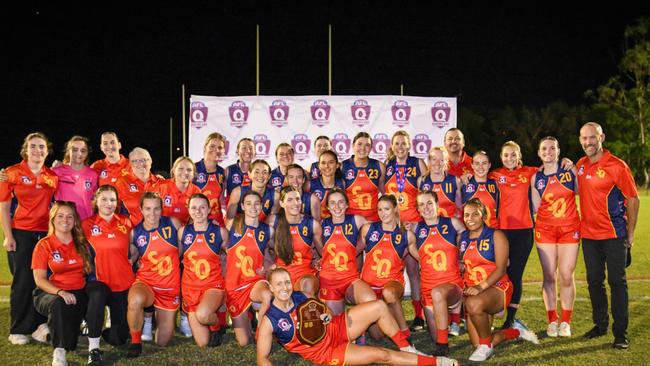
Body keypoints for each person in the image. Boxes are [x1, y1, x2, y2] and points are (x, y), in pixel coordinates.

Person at [257, 267, 459, 366]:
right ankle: (438, 363)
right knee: (382, 355)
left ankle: (407, 347)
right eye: (279, 284)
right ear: (272, 289)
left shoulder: (301, 295)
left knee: (379, 306)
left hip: (336, 327)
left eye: (287, 282)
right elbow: (262, 357)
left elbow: (324, 311)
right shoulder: (269, 320)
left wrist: (326, 316)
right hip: (326, 351)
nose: (285, 288)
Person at [576, 122, 639, 349]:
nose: (588, 142)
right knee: (594, 282)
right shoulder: (580, 165)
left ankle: (620, 334)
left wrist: (630, 235)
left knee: (617, 282)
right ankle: (600, 325)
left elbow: (633, 199)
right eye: (584, 138)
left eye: (592, 137)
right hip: (589, 237)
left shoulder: (617, 166)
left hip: (614, 235)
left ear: (601, 137)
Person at [460, 198, 538, 362]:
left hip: (497, 287)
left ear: (483, 216)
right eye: (467, 215)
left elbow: (501, 268)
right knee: (479, 341)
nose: (470, 218)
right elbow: (463, 265)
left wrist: (480, 287)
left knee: (473, 304)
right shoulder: (463, 238)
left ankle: (486, 346)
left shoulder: (496, 235)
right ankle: (516, 332)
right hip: (476, 291)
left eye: (475, 214)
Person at [0, 132, 58, 345]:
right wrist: (8, 236)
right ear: (26, 149)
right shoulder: (11, 173)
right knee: (23, 281)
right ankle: (19, 329)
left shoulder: (52, 175)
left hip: (45, 234)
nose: (38, 150)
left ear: (47, 149)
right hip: (22, 233)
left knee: (45, 280)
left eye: (42, 147)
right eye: (33, 146)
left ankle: (39, 326)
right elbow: (4, 207)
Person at [530, 137, 581, 337]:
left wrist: (574, 166)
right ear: (539, 152)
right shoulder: (536, 178)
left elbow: (583, 192)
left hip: (569, 228)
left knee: (567, 275)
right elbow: (535, 207)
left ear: (559, 151)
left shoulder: (569, 171)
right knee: (549, 276)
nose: (548, 151)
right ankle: (552, 320)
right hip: (546, 229)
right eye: (544, 148)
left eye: (552, 148)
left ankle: (566, 321)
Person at [32, 201, 91, 366]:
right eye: (60, 216)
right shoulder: (44, 245)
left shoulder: (81, 243)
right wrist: (60, 292)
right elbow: (40, 279)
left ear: (74, 221)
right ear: (53, 219)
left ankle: (46, 331)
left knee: (71, 343)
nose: (65, 220)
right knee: (59, 305)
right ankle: (59, 352)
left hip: (77, 292)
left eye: (69, 216)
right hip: (50, 293)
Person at [488, 141, 540, 329]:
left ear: (519, 156)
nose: (510, 158)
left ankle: (510, 318)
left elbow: (550, 168)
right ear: (501, 157)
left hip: (524, 231)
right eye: (506, 155)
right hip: (501, 231)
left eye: (513, 154)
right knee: (499, 273)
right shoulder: (495, 175)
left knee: (515, 274)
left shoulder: (530, 172)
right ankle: (492, 313)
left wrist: (566, 162)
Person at [82, 185, 135, 364]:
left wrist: (134, 256)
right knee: (96, 297)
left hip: (123, 284)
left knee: (118, 339)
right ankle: (93, 349)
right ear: (96, 202)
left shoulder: (126, 222)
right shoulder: (86, 225)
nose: (109, 203)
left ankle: (103, 328)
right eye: (104, 199)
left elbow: (135, 247)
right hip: (99, 281)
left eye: (112, 199)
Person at [408, 190, 465, 356]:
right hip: (428, 289)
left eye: (429, 203)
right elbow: (411, 247)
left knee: (438, 293)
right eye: (421, 205)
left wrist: (461, 259)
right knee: (435, 335)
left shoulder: (453, 223)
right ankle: (446, 322)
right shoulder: (415, 228)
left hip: (451, 285)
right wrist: (422, 260)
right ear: (417, 209)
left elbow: (467, 239)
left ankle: (443, 346)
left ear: (437, 204)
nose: (426, 208)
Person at [126, 192, 181, 357]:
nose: (152, 213)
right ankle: (136, 342)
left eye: (156, 209)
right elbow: (133, 256)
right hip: (147, 282)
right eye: (148, 209)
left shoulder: (173, 223)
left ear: (161, 209)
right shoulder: (135, 233)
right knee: (135, 299)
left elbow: (183, 250)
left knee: (162, 341)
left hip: (169, 287)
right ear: (141, 210)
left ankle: (149, 320)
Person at [385, 130, 428, 331]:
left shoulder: (418, 163)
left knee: (413, 271)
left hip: (413, 225)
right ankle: (392, 314)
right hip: (394, 229)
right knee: (392, 272)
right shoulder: (387, 166)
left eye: (403, 143)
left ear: (409, 145)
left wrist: (418, 222)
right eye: (397, 143)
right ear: (392, 146)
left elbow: (426, 195)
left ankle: (419, 315)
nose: (400, 147)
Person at [359, 195, 413, 340]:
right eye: (380, 209)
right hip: (370, 287)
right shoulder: (368, 229)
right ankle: (386, 313)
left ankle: (405, 333)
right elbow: (353, 251)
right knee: (377, 336)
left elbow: (422, 257)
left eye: (387, 209)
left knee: (389, 293)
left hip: (392, 284)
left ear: (395, 209)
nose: (383, 213)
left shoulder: (406, 234)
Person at [224, 191, 273, 346]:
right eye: (249, 203)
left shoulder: (268, 230)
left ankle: (261, 334)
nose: (253, 207)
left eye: (257, 203)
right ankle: (248, 314)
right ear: (242, 206)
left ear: (261, 206)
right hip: (234, 285)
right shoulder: (232, 224)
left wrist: (267, 266)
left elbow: (274, 253)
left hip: (254, 281)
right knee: (244, 342)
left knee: (266, 295)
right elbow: (219, 251)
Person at [179, 193, 228, 347]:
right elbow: (176, 257)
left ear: (209, 210)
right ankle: (215, 317)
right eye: (194, 207)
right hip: (190, 288)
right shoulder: (182, 232)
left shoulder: (219, 232)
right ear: (188, 210)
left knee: (203, 315)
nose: (198, 211)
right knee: (202, 343)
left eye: (202, 207)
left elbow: (230, 257)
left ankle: (217, 326)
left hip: (212, 285)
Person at [319, 187, 375, 315]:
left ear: (347, 204)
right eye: (332, 203)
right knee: (335, 324)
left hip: (350, 278)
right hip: (330, 281)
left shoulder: (357, 219)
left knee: (370, 300)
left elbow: (377, 230)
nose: (337, 206)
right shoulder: (322, 224)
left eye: (340, 202)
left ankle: (357, 321)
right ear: (327, 207)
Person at [268, 186, 323, 298]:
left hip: (305, 273)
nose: (295, 203)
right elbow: (263, 249)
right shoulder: (273, 221)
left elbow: (323, 252)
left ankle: (309, 313)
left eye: (297, 199)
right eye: (290, 200)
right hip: (281, 273)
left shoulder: (312, 224)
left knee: (306, 285)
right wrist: (269, 264)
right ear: (282, 203)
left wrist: (318, 261)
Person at [52, 136, 99, 220]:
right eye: (74, 150)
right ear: (68, 151)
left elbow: (96, 200)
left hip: (85, 223)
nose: (79, 154)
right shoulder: (56, 172)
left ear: (87, 153)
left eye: (83, 150)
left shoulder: (93, 174)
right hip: (64, 223)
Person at [342, 132, 385, 222]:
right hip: (350, 220)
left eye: (367, 145)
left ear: (371, 148)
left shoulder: (379, 166)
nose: (363, 148)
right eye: (359, 144)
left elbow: (386, 194)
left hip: (373, 219)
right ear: (353, 146)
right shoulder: (343, 166)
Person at [114, 147, 161, 225]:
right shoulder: (122, 183)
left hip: (158, 233)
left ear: (150, 161)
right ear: (130, 164)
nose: (140, 164)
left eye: (144, 160)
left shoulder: (161, 182)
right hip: (133, 233)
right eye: (135, 161)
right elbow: (112, 210)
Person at [153, 156, 201, 225]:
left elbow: (195, 218)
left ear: (193, 174)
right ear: (174, 171)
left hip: (184, 232)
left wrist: (186, 232)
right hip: (160, 229)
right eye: (180, 169)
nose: (185, 172)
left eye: (189, 170)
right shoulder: (161, 186)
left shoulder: (197, 192)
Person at [418, 147, 462, 219]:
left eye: (441, 160)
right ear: (429, 161)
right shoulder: (421, 181)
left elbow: (460, 209)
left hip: (450, 227)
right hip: (430, 228)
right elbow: (420, 208)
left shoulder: (455, 180)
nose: (437, 163)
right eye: (434, 159)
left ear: (446, 161)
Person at [194, 133, 227, 226]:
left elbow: (221, 199)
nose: (216, 150)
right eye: (212, 146)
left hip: (217, 222)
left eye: (220, 148)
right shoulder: (193, 169)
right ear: (205, 147)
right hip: (197, 221)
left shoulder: (222, 172)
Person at [460, 151, 499, 229]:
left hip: (492, 233)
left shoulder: (496, 184)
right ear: (472, 165)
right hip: (471, 234)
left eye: (484, 163)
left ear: (489, 165)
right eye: (477, 163)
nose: (480, 167)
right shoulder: (463, 184)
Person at [305, 150, 345, 220]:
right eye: (323, 163)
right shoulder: (309, 184)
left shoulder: (342, 183)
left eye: (331, 162)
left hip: (336, 227)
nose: (327, 166)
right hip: (316, 227)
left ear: (337, 165)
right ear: (319, 166)